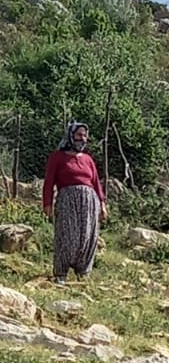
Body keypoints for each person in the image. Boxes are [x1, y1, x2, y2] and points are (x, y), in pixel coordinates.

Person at [43, 121, 106, 283]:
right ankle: (61, 273)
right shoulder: (57, 157)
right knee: (66, 235)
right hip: (67, 201)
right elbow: (49, 181)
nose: (82, 139)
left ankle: (83, 272)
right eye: (79, 135)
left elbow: (96, 182)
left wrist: (102, 205)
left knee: (87, 236)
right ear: (71, 136)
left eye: (85, 135)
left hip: (90, 203)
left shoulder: (87, 159)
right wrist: (47, 203)